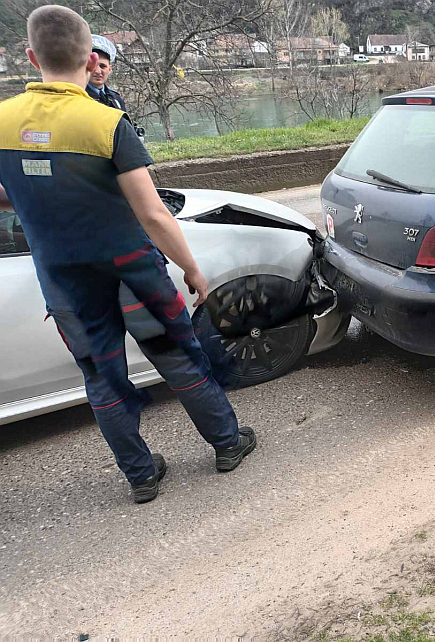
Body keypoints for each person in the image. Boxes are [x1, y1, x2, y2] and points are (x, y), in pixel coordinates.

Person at [0, 5, 256, 504]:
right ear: (87, 56)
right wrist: (192, 269)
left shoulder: (3, 122)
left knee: (100, 375)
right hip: (133, 275)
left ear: (31, 57)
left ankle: (140, 475)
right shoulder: (106, 123)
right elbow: (154, 214)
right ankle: (227, 443)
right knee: (178, 357)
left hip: (65, 282)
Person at [86, 34, 125, 110]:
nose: (97, 71)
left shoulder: (116, 99)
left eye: (102, 66)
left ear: (109, 69)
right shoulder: (78, 97)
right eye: (94, 65)